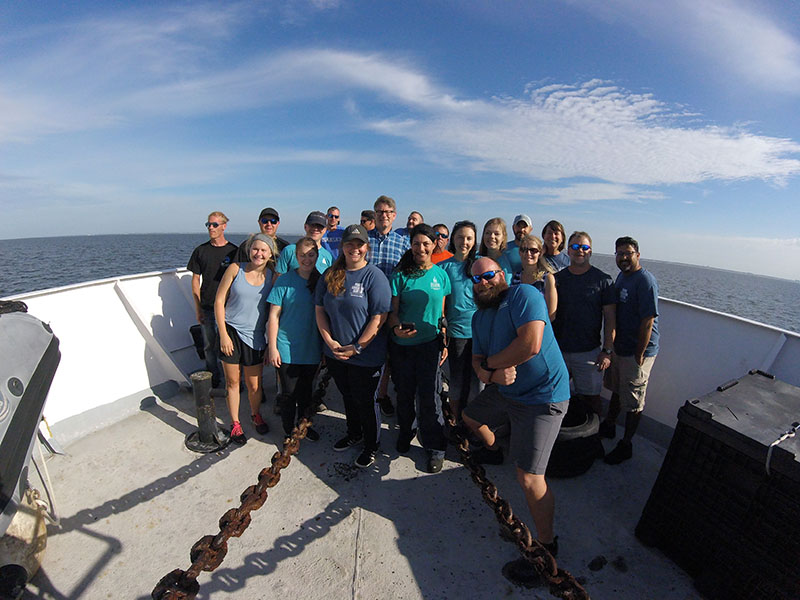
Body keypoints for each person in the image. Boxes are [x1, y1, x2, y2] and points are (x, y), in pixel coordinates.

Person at [462, 256, 569, 583]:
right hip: (507, 393)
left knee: (529, 478)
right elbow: (477, 362)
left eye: (489, 275)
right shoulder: (480, 317)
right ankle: (496, 450)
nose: (483, 282)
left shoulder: (524, 295)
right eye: (476, 279)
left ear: (503, 275)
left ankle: (547, 545)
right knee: (469, 417)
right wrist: (489, 373)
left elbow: (530, 344)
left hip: (542, 397)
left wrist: (491, 368)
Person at [315, 224, 392, 468]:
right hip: (336, 353)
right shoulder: (330, 275)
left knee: (366, 401)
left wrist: (357, 347)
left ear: (366, 248)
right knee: (348, 396)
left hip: (365, 356)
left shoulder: (374, 276)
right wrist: (330, 341)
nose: (354, 248)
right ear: (342, 246)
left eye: (359, 244)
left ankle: (372, 444)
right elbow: (320, 310)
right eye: (349, 243)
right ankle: (354, 432)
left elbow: (379, 317)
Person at [388, 224, 451, 474]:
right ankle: (406, 431)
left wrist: (443, 339)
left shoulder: (441, 276)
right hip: (402, 346)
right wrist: (396, 329)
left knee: (430, 397)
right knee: (404, 394)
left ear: (435, 244)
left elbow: (442, 313)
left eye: (426, 243)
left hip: (429, 346)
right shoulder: (400, 275)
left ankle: (435, 446)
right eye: (416, 243)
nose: (421, 248)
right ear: (410, 246)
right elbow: (392, 313)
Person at [601, 236, 659, 465]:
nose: (623, 258)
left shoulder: (645, 281)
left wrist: (640, 354)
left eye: (628, 253)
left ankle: (627, 444)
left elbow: (648, 321)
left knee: (634, 402)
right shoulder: (622, 277)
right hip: (620, 347)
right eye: (619, 253)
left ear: (638, 254)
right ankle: (609, 426)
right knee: (617, 389)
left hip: (637, 351)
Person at [214, 234, 277, 444]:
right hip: (231, 331)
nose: (258, 254)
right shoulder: (235, 269)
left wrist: (271, 343)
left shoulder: (272, 276)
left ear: (270, 254)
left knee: (254, 386)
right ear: (249, 250)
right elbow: (219, 300)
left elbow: (276, 311)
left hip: (255, 337)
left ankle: (255, 414)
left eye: (263, 250)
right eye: (255, 249)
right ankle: (235, 423)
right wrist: (223, 333)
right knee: (232, 382)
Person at [552, 232, 616, 417]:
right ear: (568, 251)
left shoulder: (603, 281)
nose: (580, 250)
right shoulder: (557, 279)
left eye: (584, 247)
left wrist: (607, 351)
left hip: (589, 353)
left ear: (590, 251)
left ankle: (592, 440)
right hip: (559, 351)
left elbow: (610, 319)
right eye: (575, 246)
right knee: (554, 396)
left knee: (592, 399)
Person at [267, 237, 324, 441]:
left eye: (311, 255)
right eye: (302, 255)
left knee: (307, 392)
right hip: (286, 346)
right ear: (295, 256)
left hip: (312, 347)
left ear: (317, 256)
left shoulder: (322, 281)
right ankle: (288, 429)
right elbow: (273, 315)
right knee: (288, 393)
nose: (307, 259)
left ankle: (303, 426)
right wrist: (272, 347)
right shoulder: (284, 281)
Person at [366, 195, 411, 417]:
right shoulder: (365, 240)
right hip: (367, 306)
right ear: (374, 215)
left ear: (394, 215)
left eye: (388, 212)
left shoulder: (403, 242)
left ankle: (382, 395)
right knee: (366, 350)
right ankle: (367, 394)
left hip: (393, 306)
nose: (384, 215)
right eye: (380, 211)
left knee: (389, 356)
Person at [188, 212, 239, 388]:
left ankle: (235, 381)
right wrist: (198, 308)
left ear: (224, 226)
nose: (211, 228)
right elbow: (195, 280)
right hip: (208, 307)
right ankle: (214, 380)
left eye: (215, 224)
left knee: (231, 346)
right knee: (209, 346)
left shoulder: (234, 252)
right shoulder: (200, 251)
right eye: (208, 224)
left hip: (229, 308)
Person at [438, 220, 481, 422]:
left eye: (469, 238)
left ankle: (471, 424)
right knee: (457, 382)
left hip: (480, 335)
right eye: (460, 237)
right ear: (453, 239)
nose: (464, 241)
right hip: (456, 334)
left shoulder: (481, 264)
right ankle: (456, 423)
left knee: (476, 385)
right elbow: (440, 305)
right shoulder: (443, 267)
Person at [514, 234, 557, 320]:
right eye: (524, 249)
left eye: (533, 250)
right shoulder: (515, 277)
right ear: (519, 252)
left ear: (540, 253)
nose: (528, 253)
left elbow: (551, 315)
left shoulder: (547, 279)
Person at [479, 217, 513, 282]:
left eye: (496, 234)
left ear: (503, 237)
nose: (492, 236)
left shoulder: (506, 262)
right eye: (488, 233)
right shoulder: (474, 259)